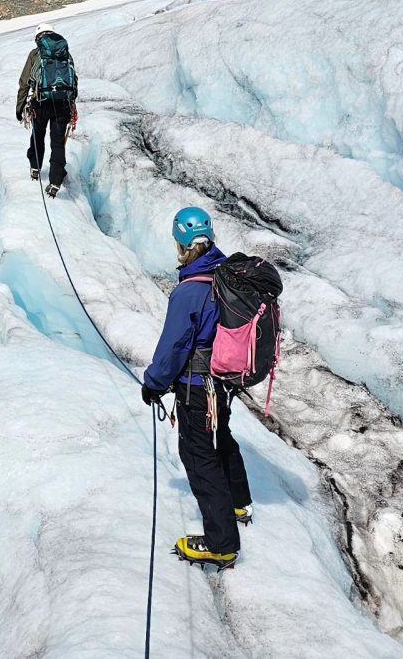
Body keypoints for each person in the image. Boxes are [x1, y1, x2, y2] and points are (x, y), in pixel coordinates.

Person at [141, 207, 252, 570]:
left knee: (198, 458)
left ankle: (220, 544)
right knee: (221, 439)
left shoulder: (190, 291)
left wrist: (154, 383)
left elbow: (174, 346)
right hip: (221, 383)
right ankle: (237, 502)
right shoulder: (223, 274)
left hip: (196, 389)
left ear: (182, 242)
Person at [16, 23, 77, 198]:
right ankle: (55, 181)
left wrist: (19, 108)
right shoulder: (66, 54)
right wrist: (70, 103)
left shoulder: (36, 54)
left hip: (41, 103)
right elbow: (74, 80)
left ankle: (35, 168)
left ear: (38, 38)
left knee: (38, 135)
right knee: (57, 142)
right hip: (63, 104)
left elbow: (24, 83)